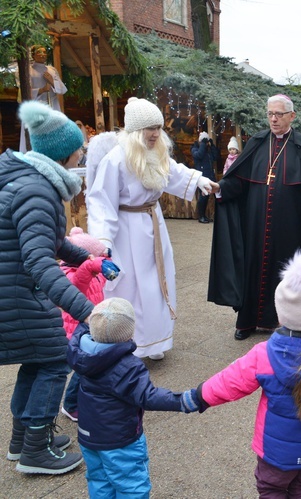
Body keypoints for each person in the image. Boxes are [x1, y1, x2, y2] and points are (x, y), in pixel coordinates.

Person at [182, 250, 301, 497]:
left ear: (281, 311)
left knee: (271, 489)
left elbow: (229, 382)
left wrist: (199, 396)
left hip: (275, 453)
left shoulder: (264, 354)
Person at [85, 97, 218, 360]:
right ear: (135, 131)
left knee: (158, 284)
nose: (156, 133)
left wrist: (200, 179)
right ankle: (133, 343)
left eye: (158, 127)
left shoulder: (155, 152)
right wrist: (103, 241)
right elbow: (101, 202)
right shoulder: (116, 159)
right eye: (149, 128)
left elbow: (171, 172)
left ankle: (156, 342)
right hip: (126, 231)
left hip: (153, 225)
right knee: (131, 286)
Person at [1, 101, 92, 474]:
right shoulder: (38, 192)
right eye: (80, 148)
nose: (82, 153)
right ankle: (36, 452)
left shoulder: (30, 180)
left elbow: (50, 241)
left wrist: (86, 259)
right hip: (16, 294)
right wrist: (87, 310)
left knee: (38, 359)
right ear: (65, 153)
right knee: (55, 360)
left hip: (11, 289)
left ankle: (22, 440)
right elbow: (39, 262)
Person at [209, 94, 301, 341]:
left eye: (279, 114)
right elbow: (238, 182)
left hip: (292, 226)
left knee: (288, 272)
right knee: (253, 266)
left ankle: (291, 322)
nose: (274, 119)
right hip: (256, 224)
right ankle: (248, 321)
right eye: (270, 114)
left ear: (292, 116)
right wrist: (221, 187)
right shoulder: (257, 143)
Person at [67, 298, 194, 497]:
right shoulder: (126, 366)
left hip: (88, 436)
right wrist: (182, 400)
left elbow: (81, 329)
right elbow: (148, 396)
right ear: (129, 332)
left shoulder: (82, 352)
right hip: (120, 440)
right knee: (132, 485)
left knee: (99, 480)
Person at [59, 227, 120, 423]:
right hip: (74, 330)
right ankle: (70, 405)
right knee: (82, 369)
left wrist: (105, 260)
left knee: (90, 367)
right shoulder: (68, 274)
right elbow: (79, 284)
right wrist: (90, 265)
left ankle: (87, 399)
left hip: (89, 327)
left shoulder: (92, 272)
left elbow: (102, 277)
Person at [18, 46, 68, 152]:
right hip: (36, 108)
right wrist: (41, 90)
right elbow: (23, 93)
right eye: (39, 52)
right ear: (33, 55)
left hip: (52, 106)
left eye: (44, 52)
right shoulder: (28, 71)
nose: (42, 54)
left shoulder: (52, 70)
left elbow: (63, 90)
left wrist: (52, 81)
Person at [191, 131, 219, 223]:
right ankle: (201, 216)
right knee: (204, 196)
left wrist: (212, 145)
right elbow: (199, 155)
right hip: (201, 177)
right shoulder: (194, 148)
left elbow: (216, 157)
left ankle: (218, 216)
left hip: (210, 175)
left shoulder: (208, 150)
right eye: (204, 141)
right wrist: (203, 144)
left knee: (217, 195)